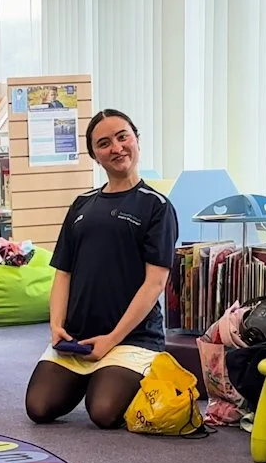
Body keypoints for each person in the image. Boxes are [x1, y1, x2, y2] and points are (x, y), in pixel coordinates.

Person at [25, 110, 178, 428]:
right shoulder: (82, 204)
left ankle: (127, 372)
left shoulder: (156, 206)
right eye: (104, 143)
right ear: (95, 155)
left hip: (132, 339)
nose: (117, 148)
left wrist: (111, 339)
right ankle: (94, 374)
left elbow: (154, 283)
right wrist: (56, 327)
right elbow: (63, 273)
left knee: (103, 413)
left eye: (123, 137)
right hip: (76, 338)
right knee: (39, 408)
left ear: (136, 139)